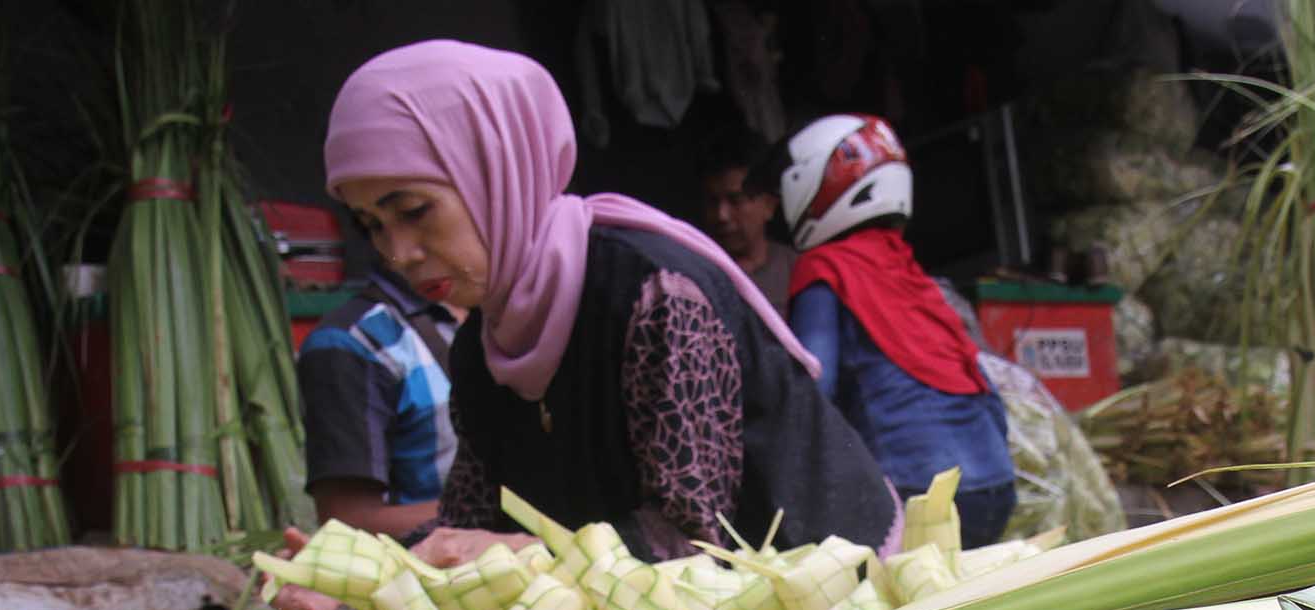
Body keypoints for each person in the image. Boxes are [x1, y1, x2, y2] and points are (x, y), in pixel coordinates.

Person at [320, 40, 899, 576]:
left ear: (493, 170)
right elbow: (475, 523)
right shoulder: (486, 345)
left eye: (415, 210)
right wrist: (371, 580)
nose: (398, 253)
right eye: (371, 225)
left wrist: (528, 554)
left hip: (822, 595)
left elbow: (696, 538)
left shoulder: (655, 294)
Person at [776, 114, 1017, 547]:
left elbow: (813, 390)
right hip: (996, 481)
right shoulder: (905, 268)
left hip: (918, 493)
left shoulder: (825, 267)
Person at [297, 260, 457, 537]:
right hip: (428, 569)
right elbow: (347, 524)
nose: (405, 250)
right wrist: (498, 518)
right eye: (377, 226)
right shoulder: (349, 343)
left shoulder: (509, 317)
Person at [697, 127, 796, 316]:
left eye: (736, 201)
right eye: (712, 201)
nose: (721, 215)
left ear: (769, 205)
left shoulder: (796, 273)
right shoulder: (690, 276)